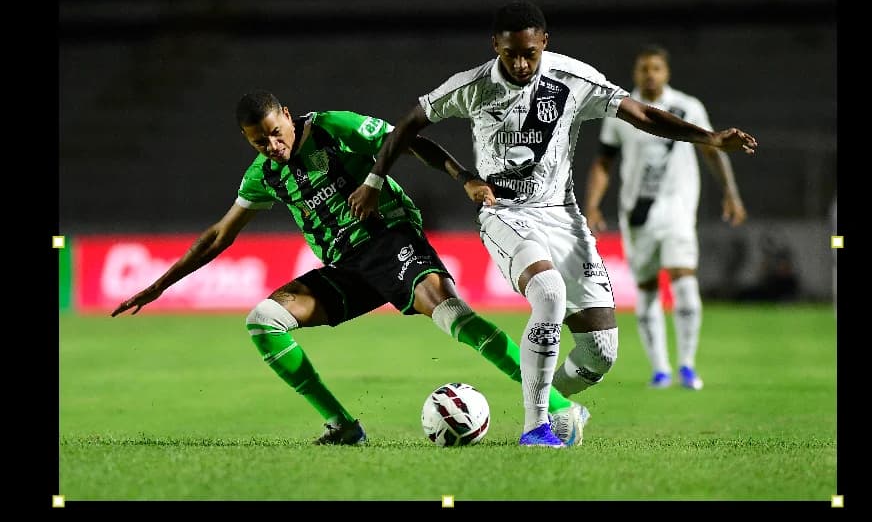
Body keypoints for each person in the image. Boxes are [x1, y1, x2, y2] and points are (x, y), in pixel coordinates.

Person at [347, 1, 757, 447]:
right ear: (496, 47)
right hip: (506, 214)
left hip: (563, 217)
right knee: (549, 292)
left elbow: (639, 113)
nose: (521, 63)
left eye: (529, 53)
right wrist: (380, 179)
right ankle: (535, 427)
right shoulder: (472, 86)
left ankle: (552, 403)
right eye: (510, 54)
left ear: (544, 41)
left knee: (600, 354)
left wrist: (709, 138)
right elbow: (408, 125)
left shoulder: (573, 79)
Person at [111, 90, 590, 447]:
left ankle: (564, 410)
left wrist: (462, 177)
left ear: (286, 115)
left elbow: (406, 140)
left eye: (275, 133)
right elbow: (221, 234)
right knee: (263, 321)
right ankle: (342, 426)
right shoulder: (264, 176)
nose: (272, 146)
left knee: (453, 318)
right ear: (247, 139)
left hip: (389, 240)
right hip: (346, 269)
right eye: (259, 142)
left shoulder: (331, 127)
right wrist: (158, 287)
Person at [583, 45, 748, 390]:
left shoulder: (688, 107)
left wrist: (730, 192)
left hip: (677, 208)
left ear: (666, 73)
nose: (650, 75)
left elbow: (712, 149)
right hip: (636, 212)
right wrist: (594, 203)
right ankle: (660, 369)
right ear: (635, 73)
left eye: (656, 68)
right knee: (646, 288)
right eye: (644, 69)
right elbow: (604, 161)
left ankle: (687, 365)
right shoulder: (622, 110)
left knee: (683, 278)